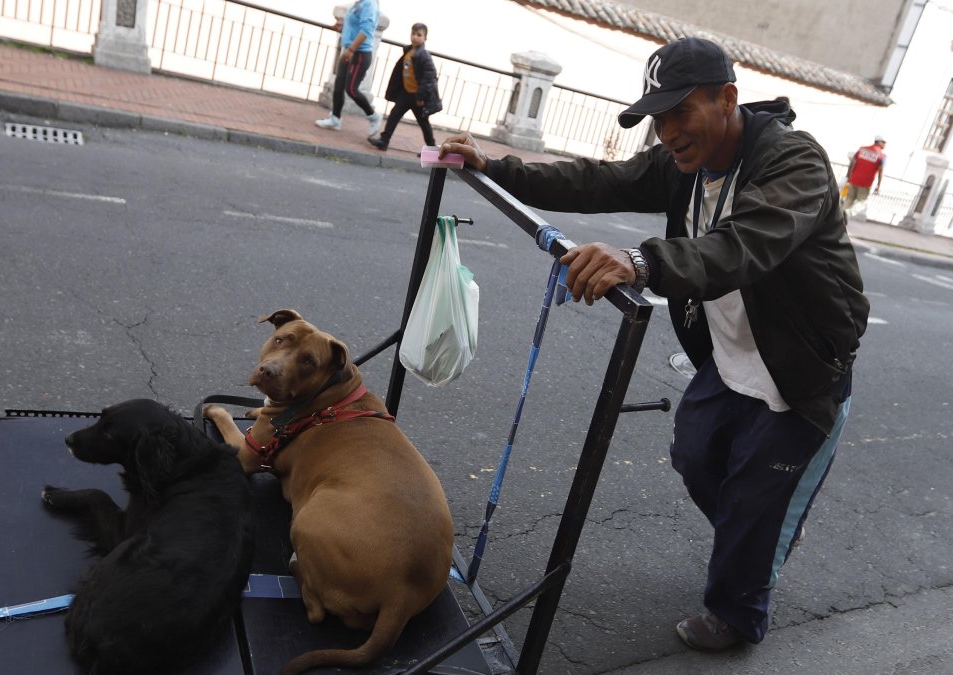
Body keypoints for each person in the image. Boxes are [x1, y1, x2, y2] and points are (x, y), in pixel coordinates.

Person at [441, 37, 868, 653]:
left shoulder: (792, 163)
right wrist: (498, 168)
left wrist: (639, 261)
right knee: (696, 455)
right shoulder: (684, 165)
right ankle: (758, 534)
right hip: (729, 356)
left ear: (728, 99)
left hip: (801, 366)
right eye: (658, 118)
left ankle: (738, 613)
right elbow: (598, 182)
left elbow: (742, 246)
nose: (668, 132)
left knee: (753, 498)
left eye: (680, 113)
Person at [368, 23, 442, 151]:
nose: (414, 37)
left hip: (417, 96)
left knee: (423, 122)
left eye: (419, 35)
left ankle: (432, 149)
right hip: (406, 93)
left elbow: (429, 79)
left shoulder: (424, 56)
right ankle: (384, 141)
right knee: (394, 115)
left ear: (425, 38)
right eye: (413, 34)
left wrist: (421, 97)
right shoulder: (409, 51)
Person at [315, 0, 383, 136]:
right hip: (349, 50)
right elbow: (356, 24)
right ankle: (335, 119)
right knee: (338, 85)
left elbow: (366, 30)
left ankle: (374, 116)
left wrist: (351, 49)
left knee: (351, 89)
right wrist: (342, 26)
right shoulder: (359, 2)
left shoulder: (369, 3)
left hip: (359, 54)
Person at [843, 135, 886, 215]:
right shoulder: (882, 156)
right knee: (861, 202)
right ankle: (847, 213)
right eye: (883, 142)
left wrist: (848, 176)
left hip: (854, 179)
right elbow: (881, 172)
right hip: (866, 183)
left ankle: (841, 215)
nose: (885, 144)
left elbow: (852, 163)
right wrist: (878, 186)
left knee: (849, 199)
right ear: (878, 142)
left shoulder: (862, 149)